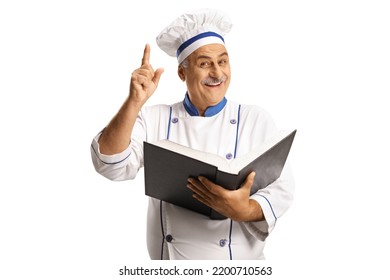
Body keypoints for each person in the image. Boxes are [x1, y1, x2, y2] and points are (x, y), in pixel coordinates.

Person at [91, 8, 294, 260]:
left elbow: (282, 188)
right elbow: (110, 163)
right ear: (182, 72)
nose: (218, 73)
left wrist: (245, 209)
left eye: (222, 61)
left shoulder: (254, 119)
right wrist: (134, 102)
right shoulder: (154, 118)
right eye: (205, 63)